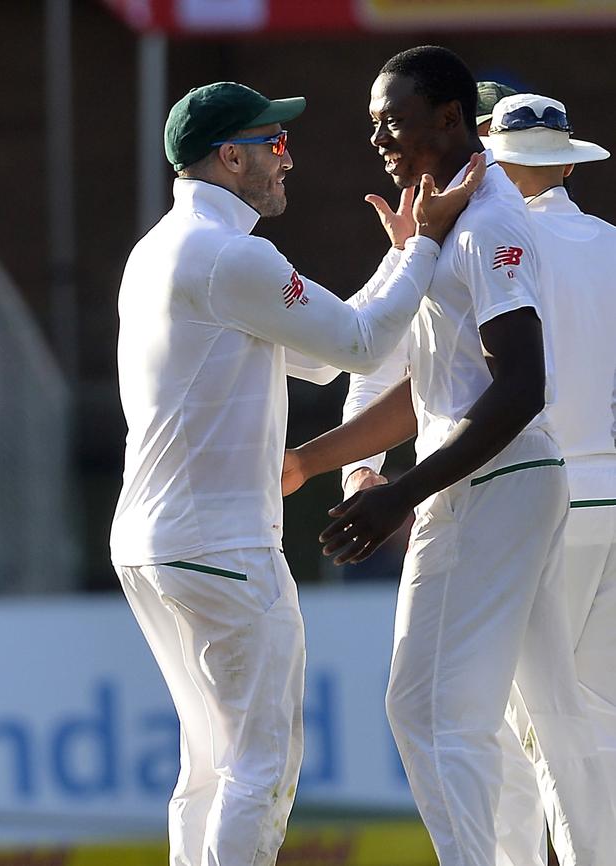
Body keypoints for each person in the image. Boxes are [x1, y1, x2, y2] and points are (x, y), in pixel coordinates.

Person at [109, 80, 484, 866]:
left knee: (209, 764)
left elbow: (323, 356)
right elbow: (357, 348)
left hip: (155, 542)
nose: (288, 160)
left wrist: (397, 259)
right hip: (221, 544)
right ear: (230, 157)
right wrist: (422, 246)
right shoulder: (230, 255)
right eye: (273, 146)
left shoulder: (163, 249)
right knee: (260, 767)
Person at [282, 46, 613, 866]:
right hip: (540, 484)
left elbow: (519, 384)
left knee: (428, 713)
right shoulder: (459, 221)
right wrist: (318, 461)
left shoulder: (488, 223)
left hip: (491, 485)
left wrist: (400, 492)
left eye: (394, 122)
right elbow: (428, 388)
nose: (380, 139)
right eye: (374, 125)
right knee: (562, 719)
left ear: (456, 121)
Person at [481, 91, 616, 866]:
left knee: (533, 723)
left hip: (538, 501)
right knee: (590, 718)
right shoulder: (607, 242)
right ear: (566, 160)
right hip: (607, 497)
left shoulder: (484, 244)